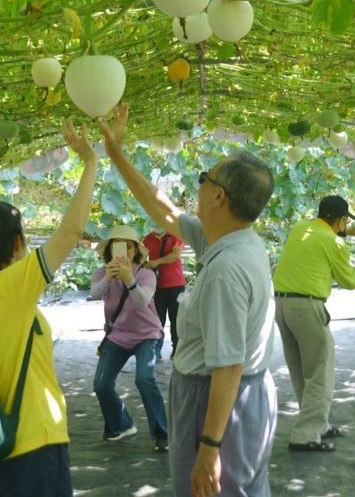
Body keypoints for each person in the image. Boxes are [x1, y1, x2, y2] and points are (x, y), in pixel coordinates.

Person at [99, 103, 277, 497]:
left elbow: (228, 366)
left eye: (203, 178)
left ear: (217, 196)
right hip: (240, 397)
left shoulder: (227, 268)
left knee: (209, 489)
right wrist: (117, 155)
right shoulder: (231, 239)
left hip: (215, 401)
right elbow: (160, 208)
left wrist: (210, 448)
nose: (196, 186)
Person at [0, 120, 97, 496]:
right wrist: (90, 163)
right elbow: (70, 232)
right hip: (31, 446)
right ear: (17, 244)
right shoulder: (8, 288)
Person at [272, 195, 355, 452]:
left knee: (300, 371)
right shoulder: (333, 242)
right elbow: (351, 281)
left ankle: (316, 425)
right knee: (320, 371)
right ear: (340, 220)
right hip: (307, 308)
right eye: (345, 222)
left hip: (281, 305)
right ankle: (305, 434)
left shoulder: (301, 228)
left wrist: (348, 232)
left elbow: (321, 240)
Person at [90, 224, 169, 451]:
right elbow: (94, 294)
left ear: (135, 251)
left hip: (148, 334)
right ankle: (121, 425)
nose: (123, 251)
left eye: (128, 247)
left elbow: (143, 300)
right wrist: (108, 277)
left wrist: (128, 279)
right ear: (110, 251)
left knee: (144, 378)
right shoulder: (101, 273)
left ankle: (162, 433)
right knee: (101, 384)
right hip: (117, 336)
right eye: (117, 246)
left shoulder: (145, 274)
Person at [142, 228, 186, 358]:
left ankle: (177, 350)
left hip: (176, 284)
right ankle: (156, 349)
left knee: (176, 318)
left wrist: (156, 262)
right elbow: (141, 256)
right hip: (156, 284)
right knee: (157, 319)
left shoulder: (175, 235)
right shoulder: (148, 238)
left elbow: (175, 255)